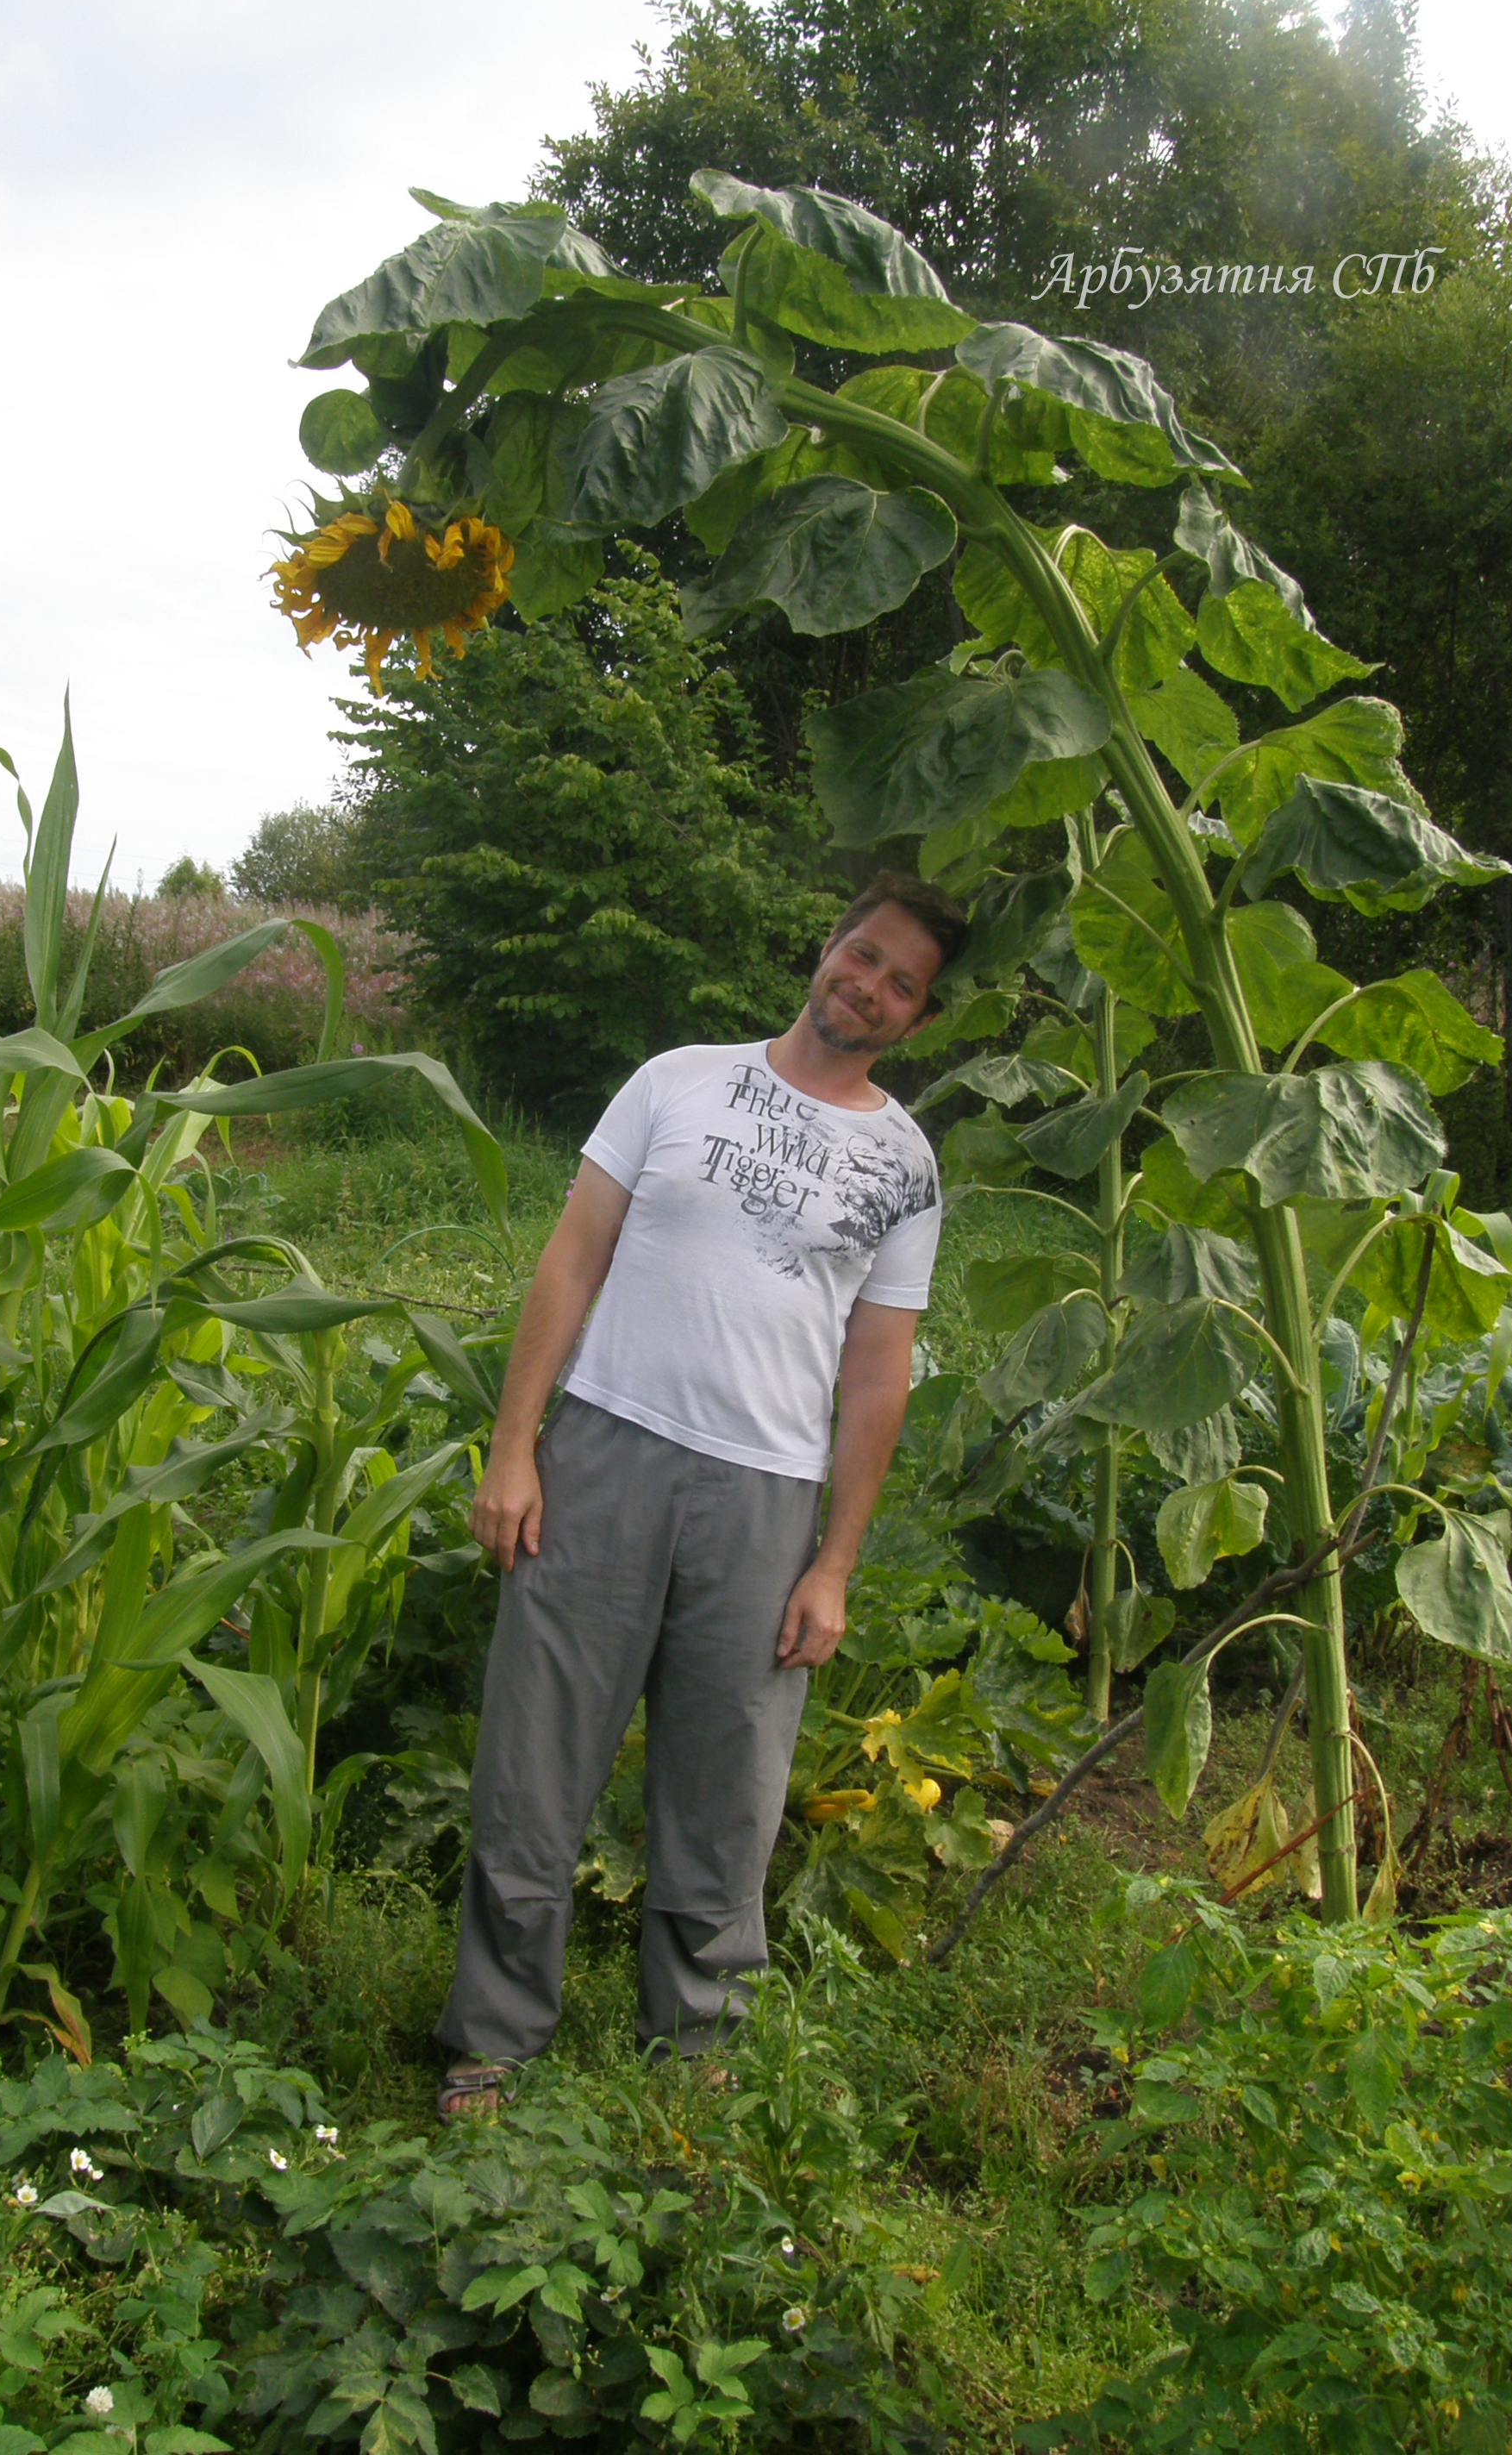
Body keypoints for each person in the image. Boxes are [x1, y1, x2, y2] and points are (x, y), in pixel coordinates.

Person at [434, 871, 965, 2117]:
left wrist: (832, 1564)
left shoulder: (903, 1166)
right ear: (826, 947)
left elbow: (878, 1373)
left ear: (917, 1019)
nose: (871, 988)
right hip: (602, 1455)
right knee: (535, 1757)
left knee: (729, 1787)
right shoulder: (674, 1081)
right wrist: (515, 1448)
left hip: (767, 1500)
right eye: (864, 956)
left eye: (903, 985)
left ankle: (698, 2050)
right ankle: (495, 2043)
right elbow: (572, 1257)